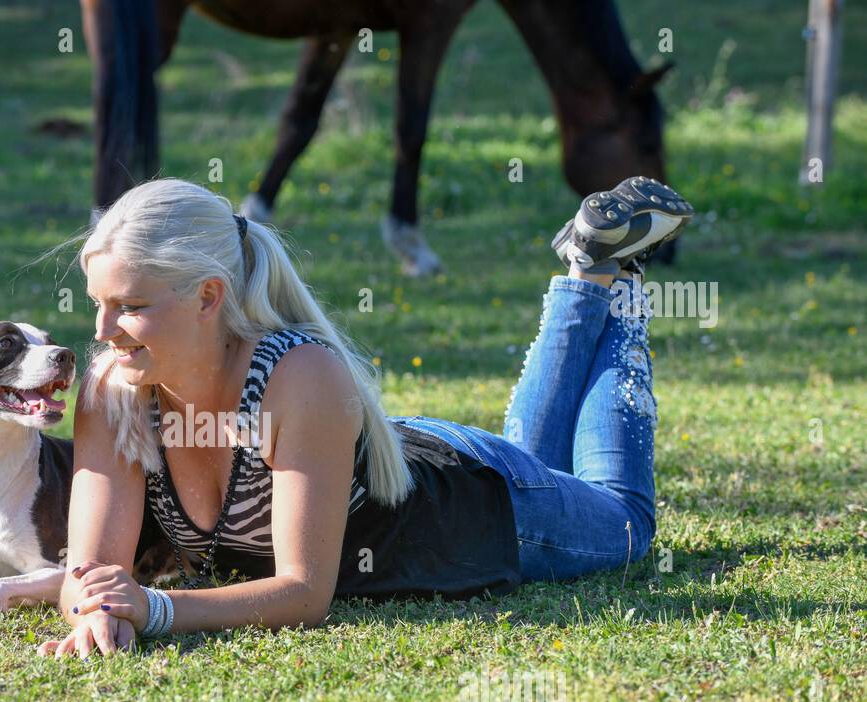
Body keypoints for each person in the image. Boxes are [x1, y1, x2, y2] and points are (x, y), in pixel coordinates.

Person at [39, 176, 693, 658]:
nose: (103, 331)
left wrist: (151, 610)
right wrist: (97, 613)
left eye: (128, 306)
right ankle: (591, 267)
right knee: (540, 458)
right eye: (99, 304)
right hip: (394, 452)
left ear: (208, 296)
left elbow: (302, 594)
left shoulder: (300, 375)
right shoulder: (112, 390)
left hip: (480, 504)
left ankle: (616, 284)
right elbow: (90, 574)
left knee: (625, 518)